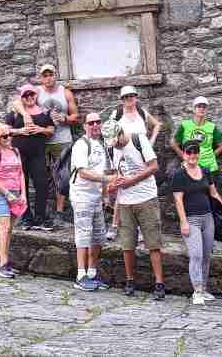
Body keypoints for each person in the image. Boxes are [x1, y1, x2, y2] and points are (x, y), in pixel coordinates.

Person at [109, 116, 166, 300]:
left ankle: (159, 283)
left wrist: (131, 181)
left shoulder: (138, 139)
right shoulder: (112, 148)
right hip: (125, 201)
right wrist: (114, 184)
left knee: (153, 243)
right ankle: (129, 280)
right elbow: (117, 172)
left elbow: (154, 166)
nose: (115, 146)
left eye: (116, 142)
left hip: (146, 198)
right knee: (127, 244)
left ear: (120, 133)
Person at [171, 140, 222, 305]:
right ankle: (197, 291)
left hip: (208, 218)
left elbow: (213, 193)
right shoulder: (179, 174)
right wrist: (183, 222)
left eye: (195, 152)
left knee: (206, 255)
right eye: (189, 152)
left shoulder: (205, 170)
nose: (192, 155)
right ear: (184, 154)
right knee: (196, 254)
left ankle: (203, 289)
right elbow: (178, 201)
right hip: (191, 220)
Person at [105, 85, 163, 242]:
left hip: (142, 154)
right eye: (126, 97)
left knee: (142, 189)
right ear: (122, 99)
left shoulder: (142, 112)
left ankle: (142, 228)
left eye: (131, 96)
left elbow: (157, 124)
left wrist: (151, 141)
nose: (129, 99)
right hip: (124, 156)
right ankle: (115, 226)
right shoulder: (117, 114)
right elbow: (109, 133)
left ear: (136, 97)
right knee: (123, 189)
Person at [69, 112, 111, 291]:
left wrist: (105, 195)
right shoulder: (81, 145)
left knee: (99, 236)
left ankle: (92, 273)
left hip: (95, 198)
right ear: (85, 126)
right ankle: (81, 275)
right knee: (84, 234)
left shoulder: (101, 145)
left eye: (97, 122)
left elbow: (103, 173)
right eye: (91, 122)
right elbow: (83, 172)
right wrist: (107, 180)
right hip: (81, 196)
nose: (95, 125)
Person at [4, 83, 55, 231]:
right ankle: (27, 218)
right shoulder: (14, 112)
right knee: (22, 186)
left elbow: (51, 130)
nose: (29, 97)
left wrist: (40, 129)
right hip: (19, 155)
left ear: (36, 95)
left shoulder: (44, 112)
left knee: (42, 184)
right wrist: (20, 131)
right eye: (26, 95)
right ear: (22, 98)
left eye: (32, 94)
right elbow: (5, 130)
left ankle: (40, 217)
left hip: (38, 154)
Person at [37, 64, 78, 226]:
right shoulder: (37, 92)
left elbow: (75, 116)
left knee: (64, 176)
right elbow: (21, 105)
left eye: (51, 74)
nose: (48, 78)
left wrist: (65, 118)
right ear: (41, 78)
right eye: (45, 75)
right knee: (41, 176)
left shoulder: (65, 92)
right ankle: (43, 211)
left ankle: (60, 211)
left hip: (62, 139)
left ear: (56, 75)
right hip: (42, 139)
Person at [0, 122, 26, 278]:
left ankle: (6, 261)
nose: (8, 138)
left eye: (10, 134)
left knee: (9, 229)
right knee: (4, 227)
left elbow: (21, 173)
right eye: (4, 136)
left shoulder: (15, 151)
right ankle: (2, 264)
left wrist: (23, 194)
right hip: (0, 194)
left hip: (15, 194)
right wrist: (7, 194)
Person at [172, 96, 222, 176]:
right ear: (194, 109)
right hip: (190, 167)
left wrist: (212, 155)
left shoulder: (212, 126)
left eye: (204, 107)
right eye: (199, 106)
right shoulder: (185, 125)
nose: (202, 109)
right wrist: (184, 156)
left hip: (210, 168)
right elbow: (174, 144)